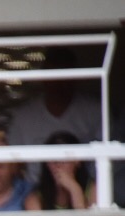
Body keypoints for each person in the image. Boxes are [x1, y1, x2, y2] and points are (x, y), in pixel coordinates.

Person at [6, 47, 103, 183]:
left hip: (85, 192)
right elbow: (12, 165)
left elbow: (110, 162)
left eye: (65, 76)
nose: (59, 84)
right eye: (54, 76)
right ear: (44, 78)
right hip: (37, 193)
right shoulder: (23, 116)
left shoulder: (95, 111)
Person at [24, 132, 95, 211]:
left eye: (64, 158)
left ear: (77, 161)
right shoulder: (35, 199)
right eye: (53, 159)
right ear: (47, 164)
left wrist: (75, 190)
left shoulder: (92, 189)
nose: (58, 165)